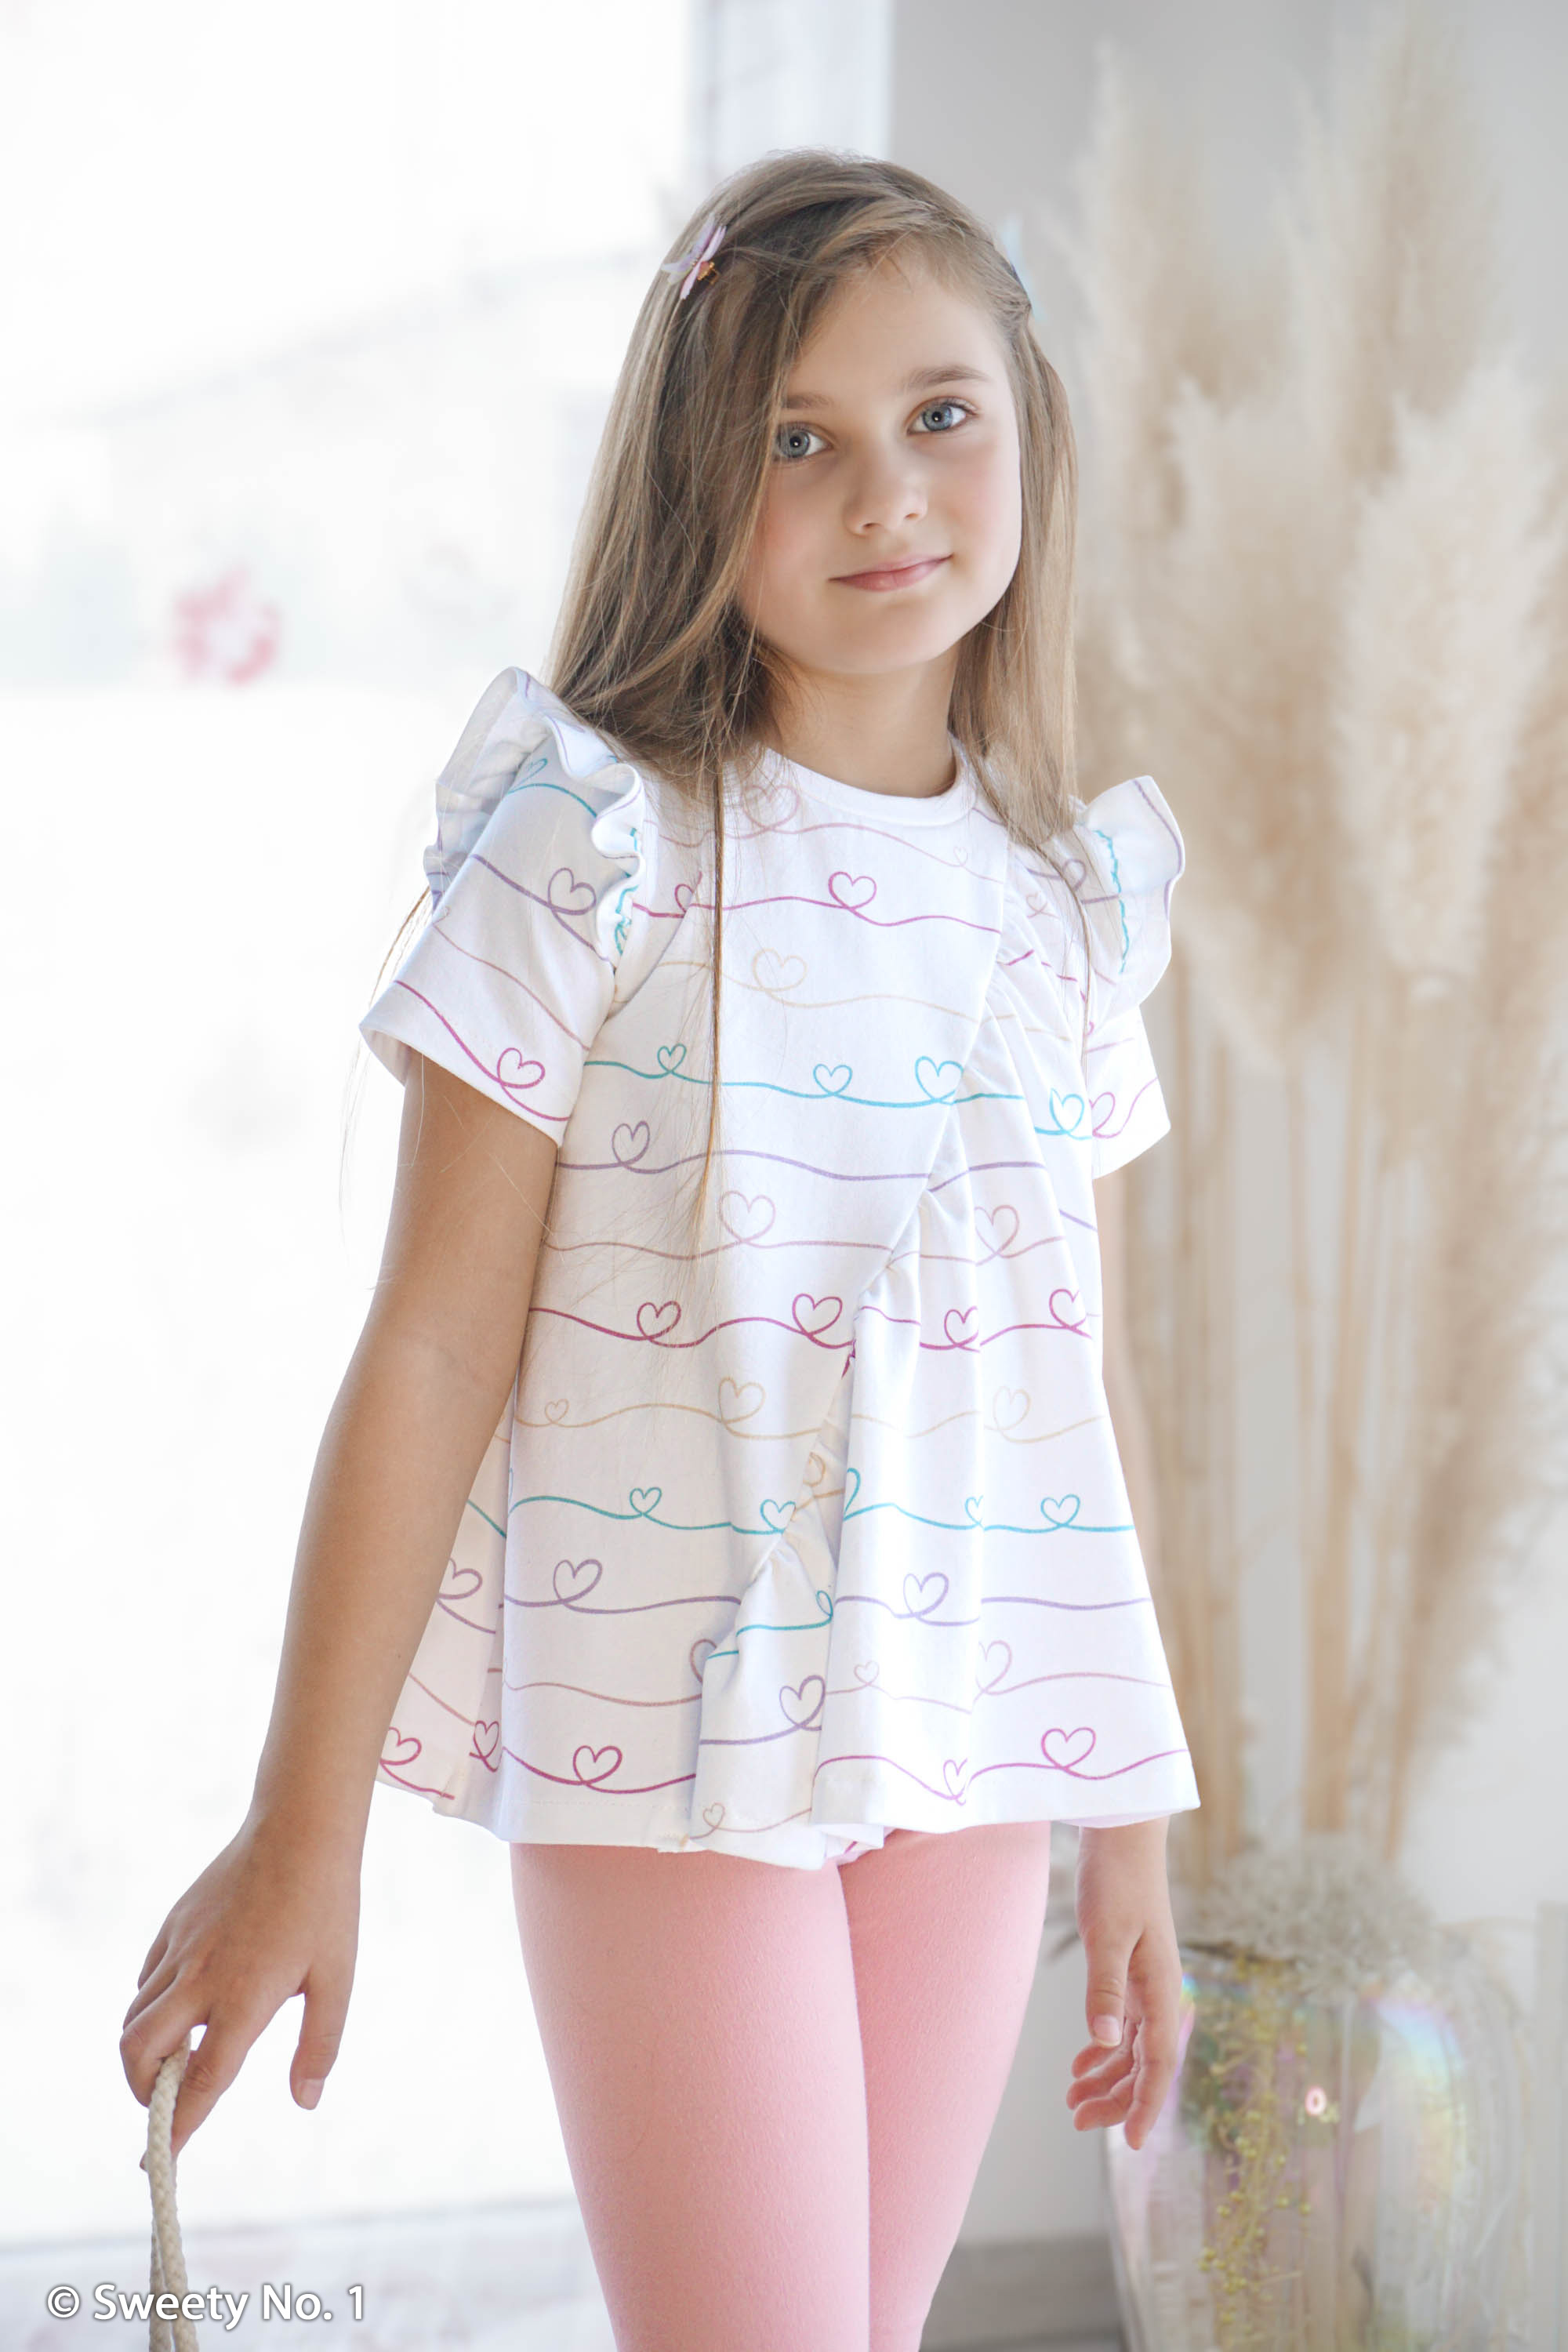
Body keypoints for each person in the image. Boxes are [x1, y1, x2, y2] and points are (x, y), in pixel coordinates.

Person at [120, 151, 1200, 2352]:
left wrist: (1132, 1832)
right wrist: (302, 1830)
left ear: (1029, 432)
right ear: (701, 476)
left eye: (940, 415)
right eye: (798, 437)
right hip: (659, 1758)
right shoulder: (590, 846)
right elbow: (433, 1352)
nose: (885, 491)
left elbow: (1073, 1397)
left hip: (966, 1761)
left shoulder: (1065, 913)